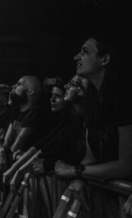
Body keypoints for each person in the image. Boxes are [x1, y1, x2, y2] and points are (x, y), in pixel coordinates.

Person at [54, 36, 132, 181]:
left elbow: (126, 166)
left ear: (105, 59)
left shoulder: (124, 99)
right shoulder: (92, 100)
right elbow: (91, 157)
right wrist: (78, 178)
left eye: (85, 52)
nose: (76, 57)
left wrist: (74, 171)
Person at [0, 75, 48, 172]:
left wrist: (5, 150)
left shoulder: (35, 112)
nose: (13, 87)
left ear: (30, 92)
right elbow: (7, 141)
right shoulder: (16, 109)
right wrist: (1, 150)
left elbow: (16, 146)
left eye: (18, 84)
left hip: (27, 169)